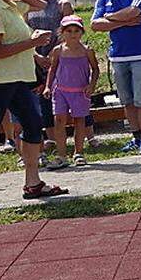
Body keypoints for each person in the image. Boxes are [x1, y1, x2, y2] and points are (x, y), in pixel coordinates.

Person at [0, 0, 67, 198]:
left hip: (17, 78)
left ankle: (33, 182)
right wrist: (32, 43)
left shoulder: (9, 4)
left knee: (34, 124)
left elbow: (40, 3)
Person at [91, 0, 141, 153]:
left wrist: (110, 18)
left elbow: (133, 12)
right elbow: (95, 24)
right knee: (127, 100)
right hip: (118, 55)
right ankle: (135, 137)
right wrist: (124, 23)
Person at [43, 15, 98, 168]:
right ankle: (61, 155)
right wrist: (48, 86)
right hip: (60, 91)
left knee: (79, 120)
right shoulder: (58, 50)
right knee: (59, 120)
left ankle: (78, 152)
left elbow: (95, 69)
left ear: (82, 32)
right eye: (69, 31)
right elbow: (52, 70)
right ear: (62, 32)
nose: (73, 34)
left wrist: (91, 85)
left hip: (80, 92)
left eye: (76, 31)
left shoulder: (87, 50)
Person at [25, 0, 61, 154]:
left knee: (63, 97)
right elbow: (22, 34)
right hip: (34, 58)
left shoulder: (61, 4)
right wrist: (37, 57)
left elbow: (68, 32)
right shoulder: (25, 7)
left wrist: (54, 56)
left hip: (58, 57)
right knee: (42, 99)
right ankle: (51, 139)